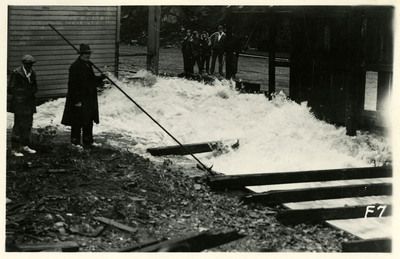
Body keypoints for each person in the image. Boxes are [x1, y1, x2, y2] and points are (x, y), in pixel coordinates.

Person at [61, 43, 105, 149]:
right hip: (79, 98)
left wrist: (100, 78)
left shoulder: (88, 65)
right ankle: (75, 142)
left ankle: (88, 141)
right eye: (85, 54)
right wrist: (76, 101)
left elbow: (91, 80)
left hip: (89, 98)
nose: (87, 56)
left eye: (88, 54)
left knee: (88, 120)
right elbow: (72, 85)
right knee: (77, 121)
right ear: (80, 54)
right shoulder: (75, 67)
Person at [7, 55, 38, 157]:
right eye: (27, 64)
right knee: (19, 125)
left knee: (28, 124)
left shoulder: (32, 73)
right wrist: (24, 92)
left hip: (29, 103)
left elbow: (35, 87)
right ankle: (15, 148)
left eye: (31, 64)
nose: (29, 66)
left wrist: (32, 91)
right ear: (23, 63)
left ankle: (25, 145)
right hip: (19, 103)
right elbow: (10, 89)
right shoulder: (17, 73)